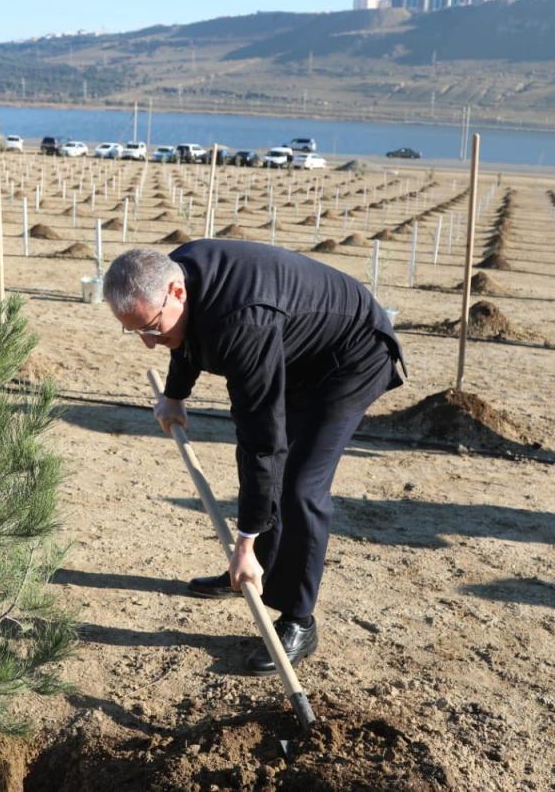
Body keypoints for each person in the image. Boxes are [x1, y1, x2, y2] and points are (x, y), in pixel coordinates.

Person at [104, 241, 405, 674]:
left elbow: (261, 440)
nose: (149, 344)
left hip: (351, 356)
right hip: (295, 348)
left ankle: (299, 619)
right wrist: (174, 395)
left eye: (150, 327)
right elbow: (183, 335)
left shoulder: (241, 320)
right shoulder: (176, 272)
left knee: (301, 485)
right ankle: (253, 574)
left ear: (177, 292)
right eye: (134, 331)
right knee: (276, 477)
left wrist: (242, 541)